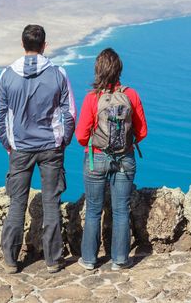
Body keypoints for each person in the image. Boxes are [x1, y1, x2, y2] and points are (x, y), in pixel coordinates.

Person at [0, 24, 76, 274]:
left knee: (17, 203)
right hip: (51, 148)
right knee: (51, 202)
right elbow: (69, 114)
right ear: (44, 46)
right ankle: (53, 260)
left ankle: (10, 260)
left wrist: (8, 145)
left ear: (22, 45)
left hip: (20, 149)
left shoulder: (7, 75)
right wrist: (64, 140)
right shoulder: (58, 74)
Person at [75, 48, 147, 271]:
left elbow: (80, 136)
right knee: (121, 210)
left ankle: (88, 259)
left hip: (96, 159)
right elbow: (142, 131)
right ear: (119, 70)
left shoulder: (92, 98)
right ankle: (120, 259)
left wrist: (96, 142)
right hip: (124, 159)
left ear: (98, 70)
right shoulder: (131, 95)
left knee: (94, 209)